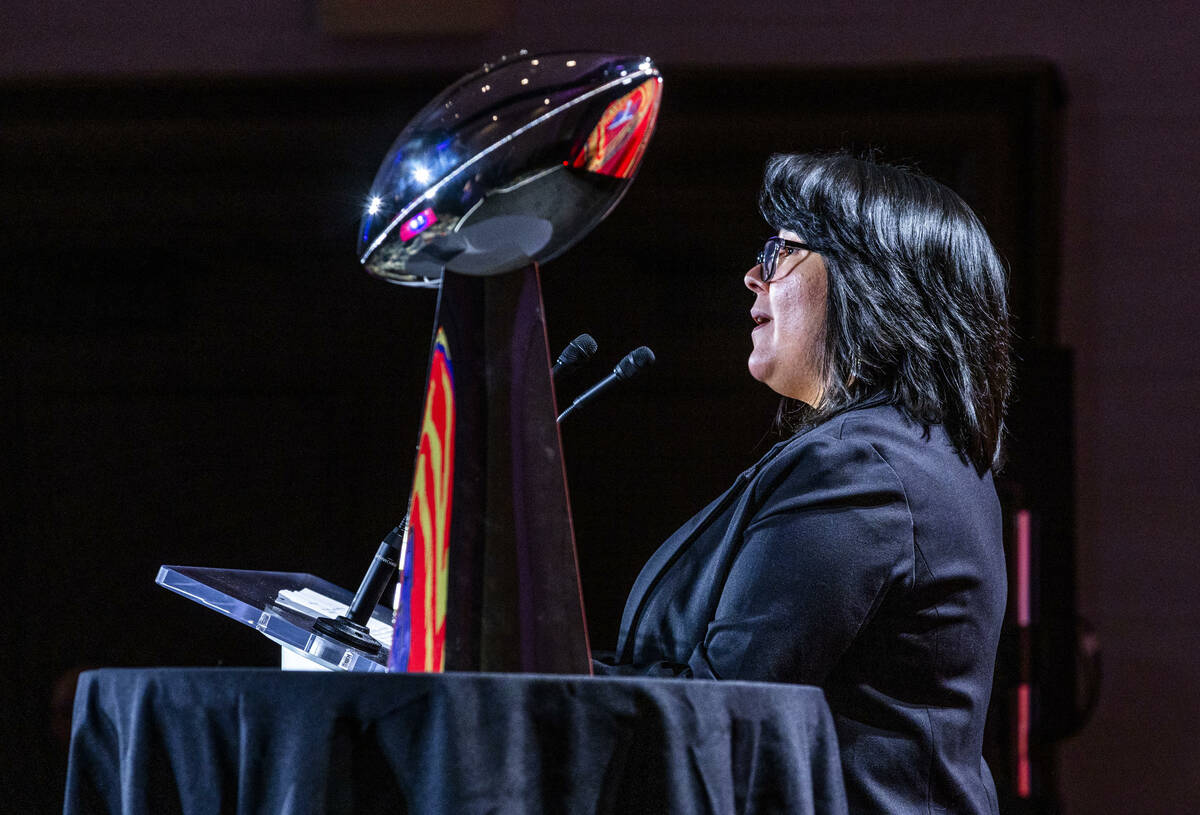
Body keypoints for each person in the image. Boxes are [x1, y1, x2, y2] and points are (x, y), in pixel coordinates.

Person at [594, 152, 1012, 814]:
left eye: (783, 250)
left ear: (871, 281)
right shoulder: (918, 453)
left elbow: (720, 714)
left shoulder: (862, 469)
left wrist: (509, 681)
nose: (754, 276)